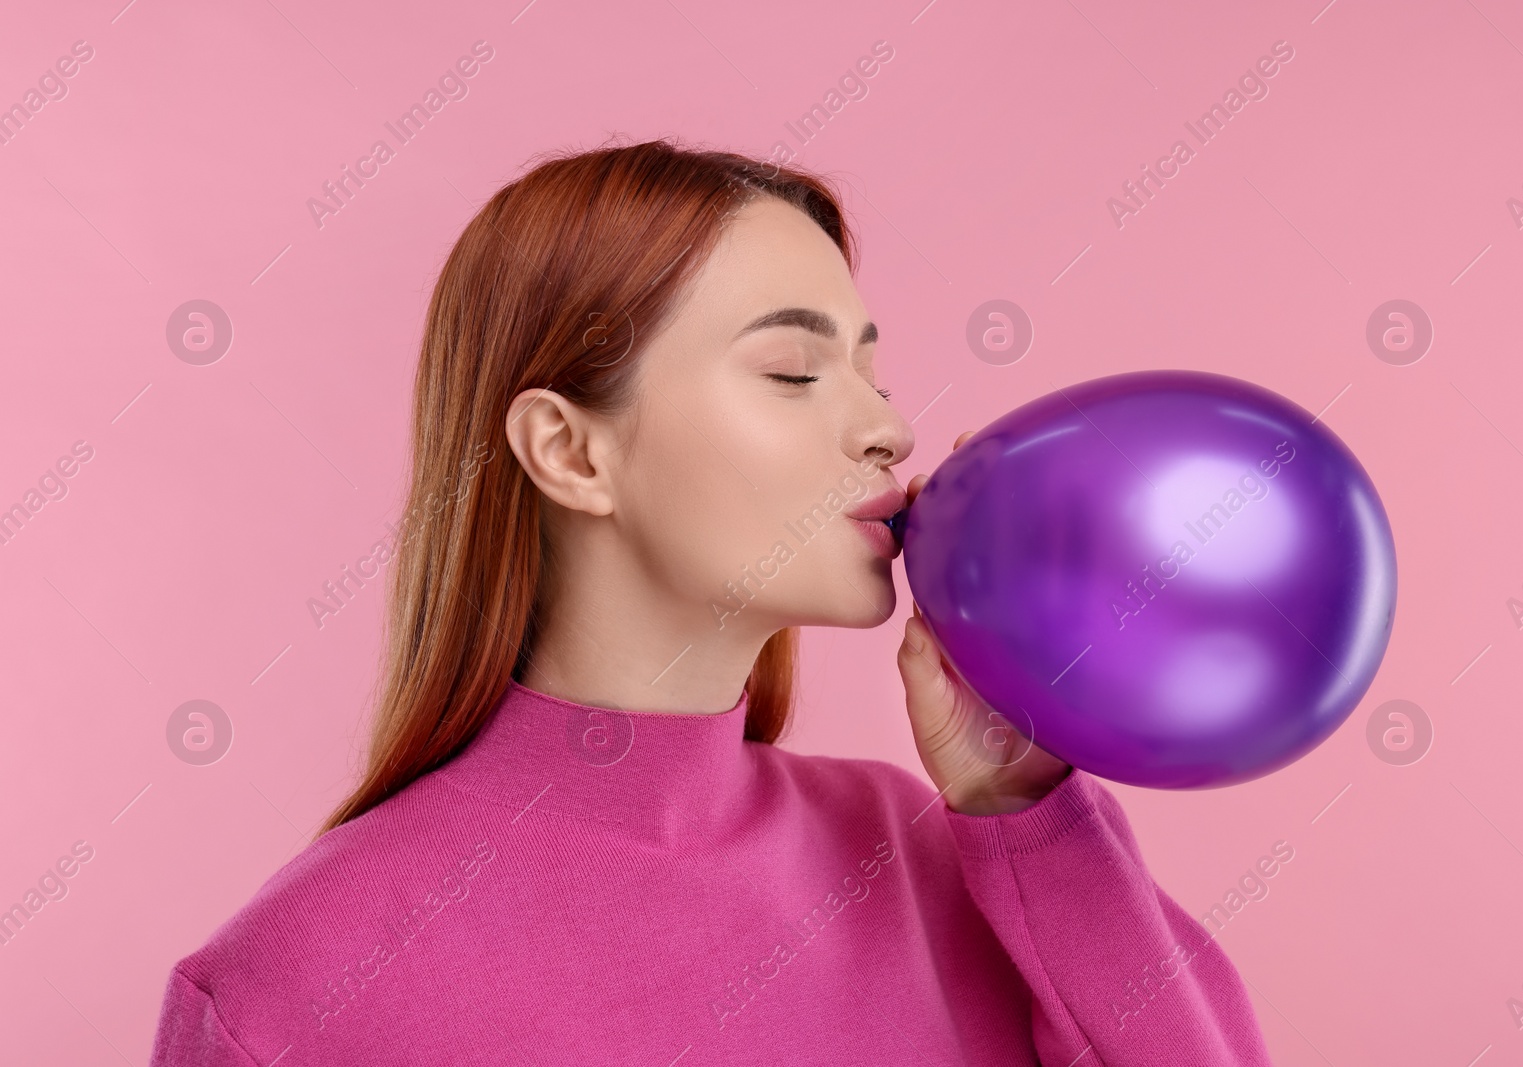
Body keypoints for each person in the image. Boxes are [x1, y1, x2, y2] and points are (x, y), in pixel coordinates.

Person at [148, 138, 1272, 1065]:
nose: (887, 428)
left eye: (872, 374)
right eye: (793, 371)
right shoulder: (288, 990)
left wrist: (1030, 818)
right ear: (569, 450)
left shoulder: (930, 848)